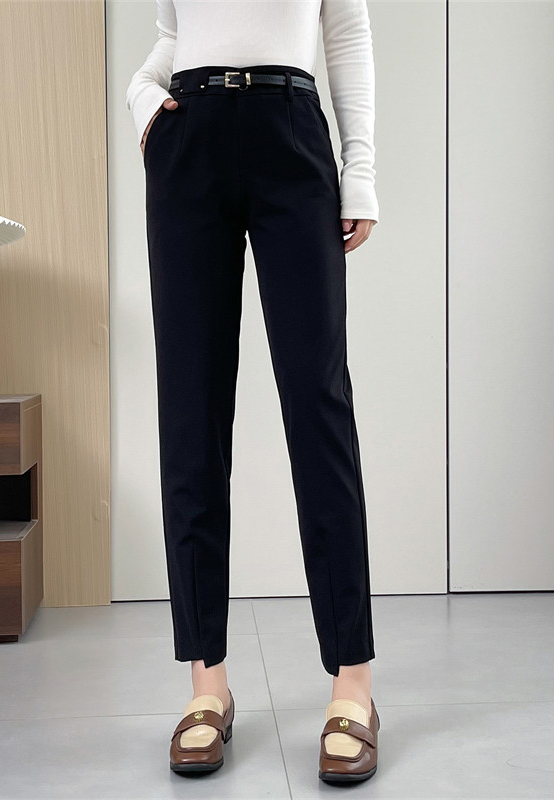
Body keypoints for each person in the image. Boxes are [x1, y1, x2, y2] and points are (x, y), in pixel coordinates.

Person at [126, 0, 380, 783]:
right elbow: (173, 35)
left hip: (290, 131)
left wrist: (360, 171)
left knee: (318, 407)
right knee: (191, 412)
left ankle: (353, 684)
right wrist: (143, 100)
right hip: (189, 138)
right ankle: (207, 683)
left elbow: (346, 31)